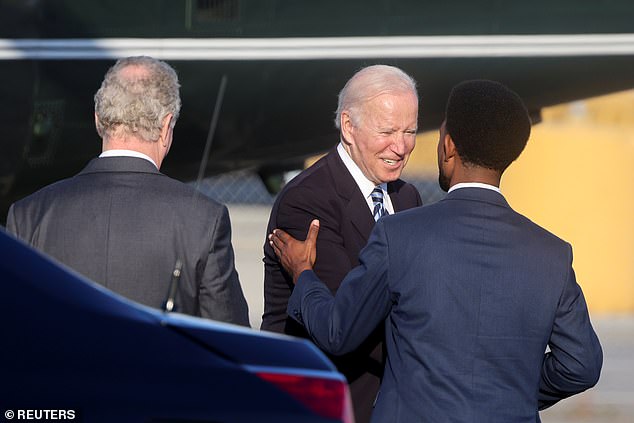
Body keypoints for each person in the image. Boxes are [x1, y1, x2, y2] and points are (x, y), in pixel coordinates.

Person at [270, 80, 603, 422]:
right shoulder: (553, 255)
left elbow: (337, 333)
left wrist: (304, 274)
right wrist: (508, 393)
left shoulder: (399, 235)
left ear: (448, 146)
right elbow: (581, 366)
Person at [6, 56, 250, 326]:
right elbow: (232, 337)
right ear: (166, 127)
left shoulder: (28, 215)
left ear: (99, 120)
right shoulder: (203, 219)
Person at [261, 64, 422, 422]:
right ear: (349, 126)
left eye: (410, 130)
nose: (401, 146)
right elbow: (342, 318)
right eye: (388, 131)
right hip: (325, 401)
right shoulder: (307, 200)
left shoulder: (407, 197)